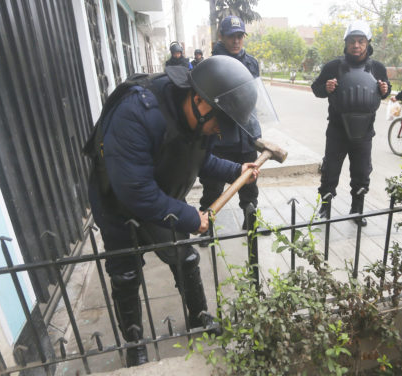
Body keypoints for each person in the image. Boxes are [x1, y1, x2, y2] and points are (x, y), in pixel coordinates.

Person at [84, 56, 270, 367]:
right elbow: (136, 192)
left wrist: (237, 169)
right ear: (197, 99)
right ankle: (135, 344)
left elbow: (200, 160)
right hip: (118, 202)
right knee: (126, 273)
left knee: (185, 256)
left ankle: (197, 318)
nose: (218, 131)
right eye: (218, 123)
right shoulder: (137, 113)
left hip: (162, 197)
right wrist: (188, 216)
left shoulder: (202, 116)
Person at [311, 20, 391, 226]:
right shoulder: (333, 66)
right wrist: (326, 88)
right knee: (330, 170)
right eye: (352, 41)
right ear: (346, 43)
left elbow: (385, 91)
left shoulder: (377, 68)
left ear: (368, 43)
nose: (356, 45)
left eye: (361, 41)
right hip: (337, 130)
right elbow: (316, 88)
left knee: (362, 171)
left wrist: (385, 90)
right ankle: (325, 207)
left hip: (364, 131)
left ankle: (357, 210)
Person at [198, 15, 262, 232]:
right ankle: (206, 225)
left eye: (239, 36)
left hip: (246, 135)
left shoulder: (252, 63)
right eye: (231, 36)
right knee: (213, 187)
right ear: (221, 37)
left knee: (249, 185)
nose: (236, 41)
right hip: (220, 137)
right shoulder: (210, 65)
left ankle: (250, 222)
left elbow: (255, 97)